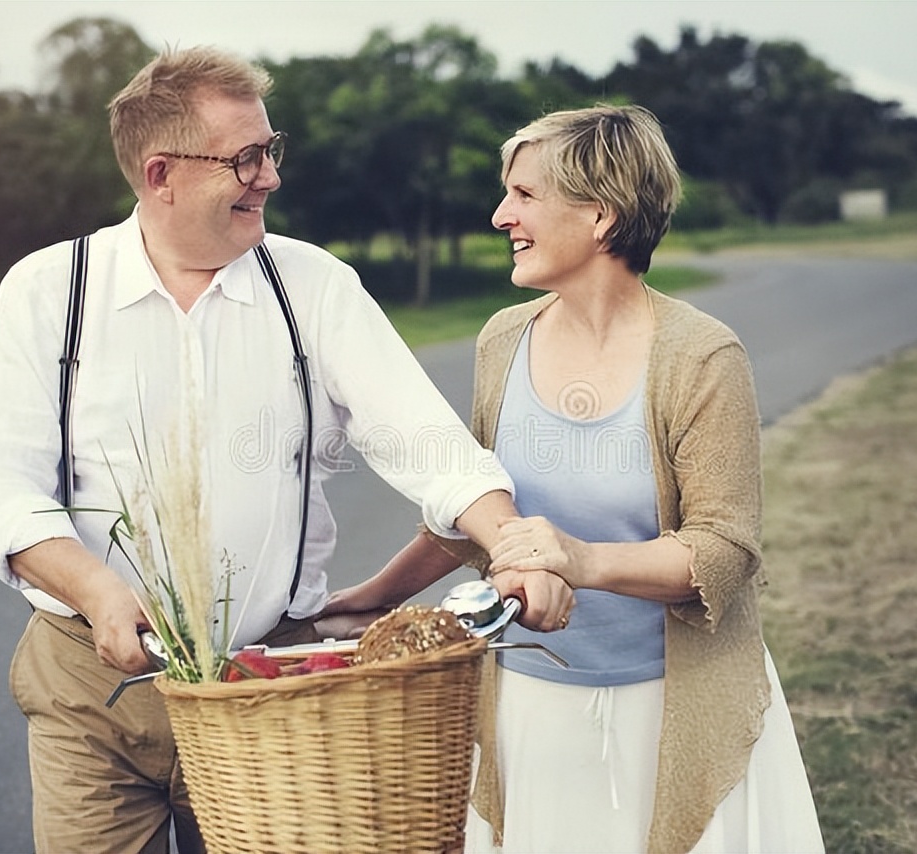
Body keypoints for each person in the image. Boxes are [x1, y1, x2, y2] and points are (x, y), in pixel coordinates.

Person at [0, 46, 572, 854]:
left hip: (270, 684)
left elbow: (429, 444)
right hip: (92, 688)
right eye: (246, 158)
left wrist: (515, 545)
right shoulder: (49, 292)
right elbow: (1, 492)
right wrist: (99, 592)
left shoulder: (312, 287)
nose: (271, 177)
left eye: (271, 149)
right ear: (161, 174)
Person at [323, 105, 825, 853]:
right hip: (533, 703)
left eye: (524, 195)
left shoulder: (702, 356)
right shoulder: (503, 339)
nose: (501, 216)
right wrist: (374, 598)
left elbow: (724, 550)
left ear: (600, 214)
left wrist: (582, 560)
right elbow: (479, 512)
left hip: (673, 703)